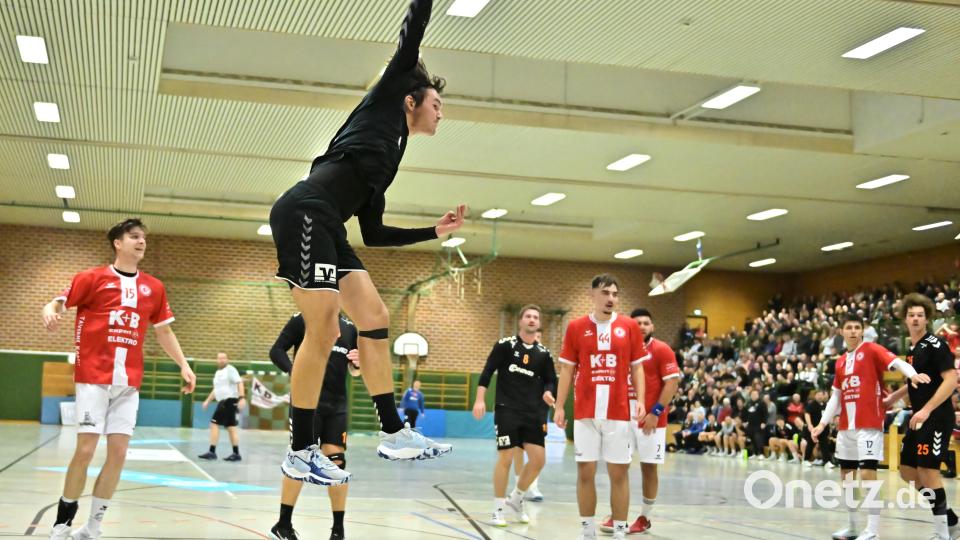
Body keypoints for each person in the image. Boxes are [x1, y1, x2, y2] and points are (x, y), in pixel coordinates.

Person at [267, 0, 458, 486]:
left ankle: (393, 433)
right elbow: (412, 33)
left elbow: (373, 233)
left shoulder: (390, 153)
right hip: (304, 211)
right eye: (437, 104)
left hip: (331, 225)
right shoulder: (385, 103)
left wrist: (432, 232)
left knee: (373, 316)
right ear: (411, 100)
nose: (441, 114)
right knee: (324, 328)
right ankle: (300, 449)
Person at [42, 218, 197, 540]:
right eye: (134, 236)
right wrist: (50, 308)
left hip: (129, 383)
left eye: (143, 238)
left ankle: (93, 527)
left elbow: (164, 331)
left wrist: (184, 364)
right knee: (86, 450)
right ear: (118, 242)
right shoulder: (92, 278)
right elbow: (60, 300)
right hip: (93, 378)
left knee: (119, 453)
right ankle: (62, 524)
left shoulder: (154, 287)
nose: (141, 242)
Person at [811, 313, 927, 540]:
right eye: (849, 327)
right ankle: (852, 526)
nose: (853, 331)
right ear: (842, 332)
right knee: (847, 476)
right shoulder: (840, 362)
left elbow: (896, 362)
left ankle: (872, 530)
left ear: (862, 331)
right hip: (846, 427)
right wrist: (822, 423)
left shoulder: (872, 349)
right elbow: (836, 397)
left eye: (857, 327)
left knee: (867, 474)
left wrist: (913, 375)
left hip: (869, 424)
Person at [554, 274, 649, 540]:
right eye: (605, 293)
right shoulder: (576, 327)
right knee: (585, 472)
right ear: (593, 294)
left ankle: (619, 531)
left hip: (618, 412)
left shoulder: (629, 326)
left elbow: (637, 368)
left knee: (619, 473)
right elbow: (567, 369)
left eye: (615, 294)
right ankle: (587, 531)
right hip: (585, 412)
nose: (611, 299)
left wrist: (641, 400)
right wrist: (559, 406)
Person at [269, 313, 361, 540]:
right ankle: (283, 524)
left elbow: (354, 369)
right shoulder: (303, 318)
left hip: (336, 405)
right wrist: (295, 371)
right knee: (300, 460)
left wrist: (358, 364)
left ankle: (338, 530)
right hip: (306, 402)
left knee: (337, 461)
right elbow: (276, 351)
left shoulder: (350, 328)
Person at [472, 305, 556, 526]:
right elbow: (487, 371)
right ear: (520, 321)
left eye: (535, 317)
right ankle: (497, 510)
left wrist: (549, 392)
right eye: (528, 316)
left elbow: (550, 379)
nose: (532, 319)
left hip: (533, 413)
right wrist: (480, 399)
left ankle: (517, 498)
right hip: (507, 409)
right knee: (506, 458)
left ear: (539, 323)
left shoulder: (544, 354)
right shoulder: (505, 345)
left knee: (538, 460)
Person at [601, 308, 679, 534]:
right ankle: (617, 514)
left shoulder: (662, 349)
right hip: (622, 417)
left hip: (651, 418)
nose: (642, 326)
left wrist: (655, 412)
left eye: (646, 323)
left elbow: (672, 383)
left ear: (652, 326)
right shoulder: (620, 350)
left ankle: (645, 517)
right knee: (618, 466)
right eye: (638, 323)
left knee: (649, 467)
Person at [889, 294, 960, 540]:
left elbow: (951, 380)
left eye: (920, 315)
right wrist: (894, 396)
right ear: (905, 319)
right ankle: (950, 518)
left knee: (928, 471)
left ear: (927, 318)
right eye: (911, 315)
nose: (916, 319)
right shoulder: (913, 349)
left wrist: (927, 409)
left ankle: (943, 533)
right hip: (919, 418)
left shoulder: (935, 344)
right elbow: (916, 380)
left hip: (936, 416)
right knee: (907, 471)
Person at [198, 352, 246, 461]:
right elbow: (216, 390)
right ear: (217, 360)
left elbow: (239, 382)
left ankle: (212, 451)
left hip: (228, 401)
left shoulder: (230, 369)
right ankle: (236, 453)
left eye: (224, 358)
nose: (221, 360)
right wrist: (207, 401)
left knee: (214, 424)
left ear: (227, 359)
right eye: (219, 358)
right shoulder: (218, 373)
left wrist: (242, 397)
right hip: (224, 402)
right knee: (231, 427)